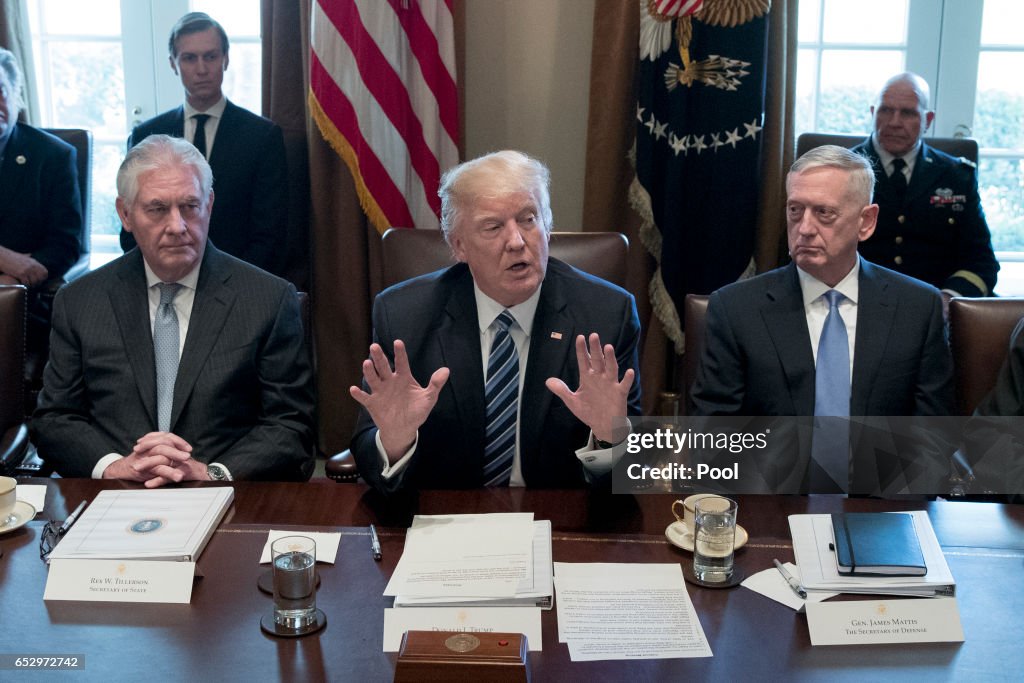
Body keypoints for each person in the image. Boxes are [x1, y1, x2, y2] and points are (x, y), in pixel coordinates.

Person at [350, 150, 642, 492]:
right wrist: (396, 441)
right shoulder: (404, 315)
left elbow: (632, 473)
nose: (517, 242)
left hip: (559, 520)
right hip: (446, 521)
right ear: (459, 245)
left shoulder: (607, 314)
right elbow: (370, 455)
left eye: (528, 219)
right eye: (493, 227)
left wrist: (610, 438)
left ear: (547, 228)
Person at [32, 135, 314, 484]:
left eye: (190, 206)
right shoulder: (80, 301)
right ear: (125, 213)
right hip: (116, 494)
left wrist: (210, 473)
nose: (178, 226)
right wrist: (114, 466)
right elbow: (55, 418)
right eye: (158, 209)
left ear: (209, 205)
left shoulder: (267, 298)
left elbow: (290, 426)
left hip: (223, 495)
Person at [691, 145, 954, 495]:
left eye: (824, 213)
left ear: (866, 221)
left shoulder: (918, 308)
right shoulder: (736, 309)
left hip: (880, 512)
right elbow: (714, 441)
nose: (805, 228)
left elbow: (934, 438)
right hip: (771, 510)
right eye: (795, 210)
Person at [119, 12, 287, 276]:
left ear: (226, 59)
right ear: (173, 64)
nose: (201, 69)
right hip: (162, 280)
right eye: (189, 58)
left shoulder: (262, 136)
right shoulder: (146, 134)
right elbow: (130, 230)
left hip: (240, 281)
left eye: (210, 56)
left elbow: (270, 234)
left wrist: (230, 282)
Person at [852, 72, 998, 302]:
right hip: (860, 302)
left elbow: (981, 261)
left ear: (928, 120)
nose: (894, 122)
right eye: (885, 110)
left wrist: (948, 299)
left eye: (908, 113)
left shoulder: (956, 176)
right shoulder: (843, 171)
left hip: (936, 306)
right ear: (873, 113)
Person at [0, 48, 82, 347]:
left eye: (1, 92)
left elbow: (65, 245)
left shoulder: (53, 156)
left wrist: (14, 283)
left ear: (16, 96)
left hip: (23, 303)